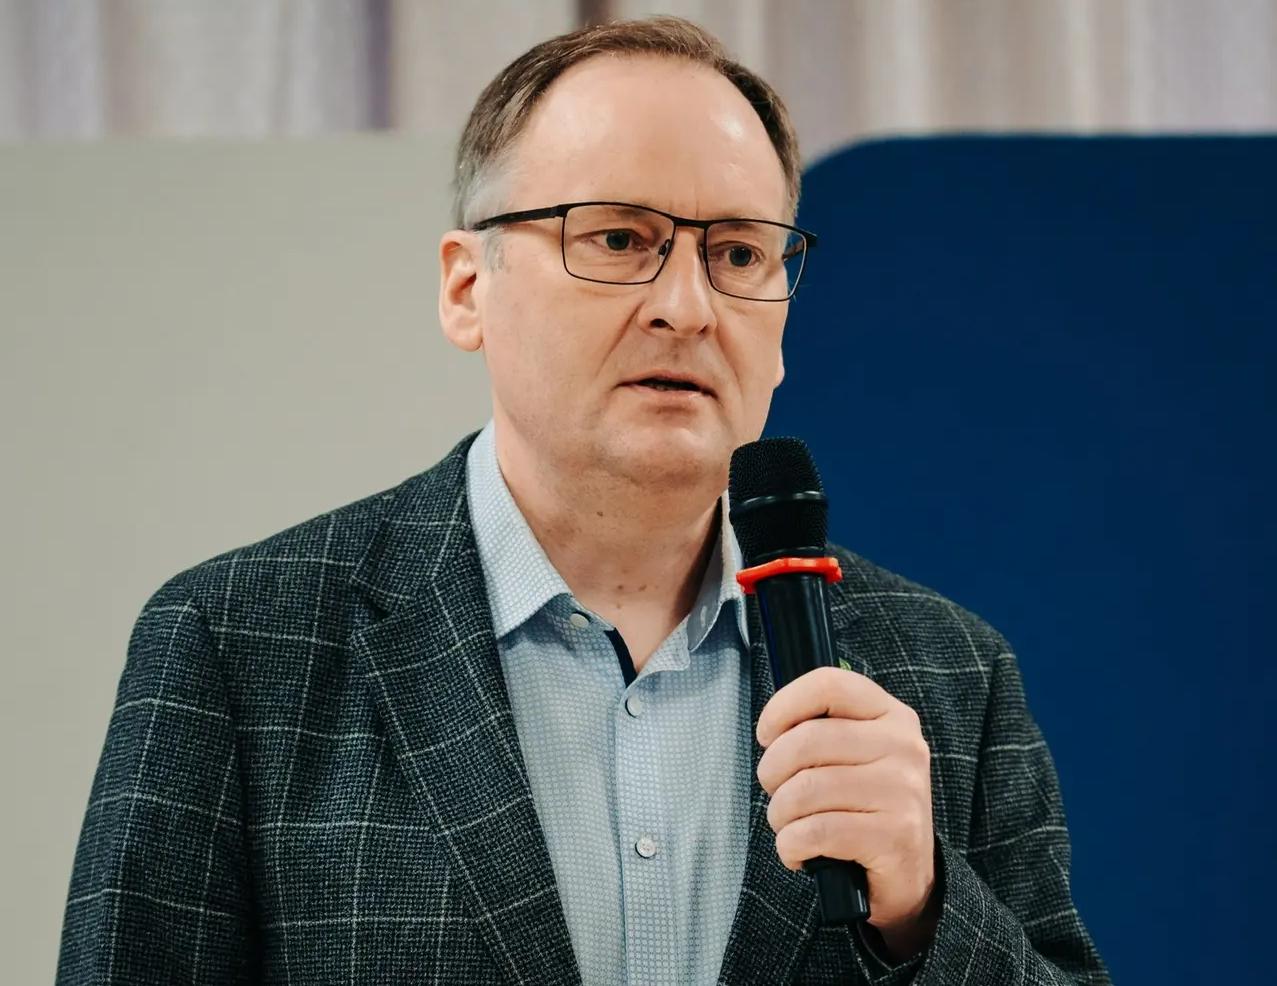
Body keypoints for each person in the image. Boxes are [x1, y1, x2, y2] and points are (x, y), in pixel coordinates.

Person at [57, 16, 1110, 986]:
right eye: (616, 239)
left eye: (738, 253)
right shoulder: (239, 644)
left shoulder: (948, 672)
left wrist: (922, 910)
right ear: (466, 288)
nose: (686, 307)